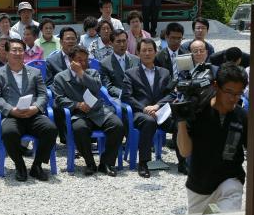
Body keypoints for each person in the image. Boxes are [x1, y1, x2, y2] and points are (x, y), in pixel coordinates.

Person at [176, 63, 248, 214]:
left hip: (231, 180)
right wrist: (181, 120)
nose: (233, 98)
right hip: (200, 184)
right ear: (216, 86)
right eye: (229, 92)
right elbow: (185, 152)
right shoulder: (198, 111)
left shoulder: (242, 116)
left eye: (238, 94)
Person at [0, 38, 57, 182]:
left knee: (50, 129)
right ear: (7, 53)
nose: (18, 53)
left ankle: (37, 165)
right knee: (8, 133)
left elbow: (43, 94)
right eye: (14, 50)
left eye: (21, 50)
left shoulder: (35, 72)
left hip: (33, 114)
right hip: (13, 115)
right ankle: (19, 165)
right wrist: (11, 110)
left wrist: (36, 107)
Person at [52, 45, 124, 176]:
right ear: (70, 60)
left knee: (117, 125)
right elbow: (59, 99)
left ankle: (106, 163)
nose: (83, 63)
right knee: (80, 129)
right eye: (79, 60)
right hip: (78, 113)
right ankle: (90, 163)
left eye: (86, 60)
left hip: (98, 111)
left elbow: (97, 87)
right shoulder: (60, 77)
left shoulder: (92, 73)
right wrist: (77, 104)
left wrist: (81, 73)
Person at [123, 38, 177, 178]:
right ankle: (143, 163)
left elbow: (171, 94)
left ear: (155, 52)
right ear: (138, 53)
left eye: (150, 50)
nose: (147, 53)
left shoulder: (164, 72)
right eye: (144, 50)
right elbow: (127, 97)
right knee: (149, 121)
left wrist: (157, 106)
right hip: (140, 113)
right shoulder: (130, 73)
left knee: (181, 122)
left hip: (161, 112)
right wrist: (145, 108)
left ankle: (183, 161)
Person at [45, 27, 78, 142]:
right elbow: (49, 83)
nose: (71, 42)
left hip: (81, 93)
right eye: (68, 39)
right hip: (62, 94)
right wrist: (63, 93)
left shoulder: (83, 58)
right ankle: (66, 137)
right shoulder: (52, 60)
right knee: (56, 106)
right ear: (61, 41)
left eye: (73, 39)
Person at [99, 29, 138, 99]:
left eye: (124, 41)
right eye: (118, 42)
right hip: (120, 99)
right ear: (111, 43)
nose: (122, 45)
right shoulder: (104, 64)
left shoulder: (136, 60)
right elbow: (108, 86)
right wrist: (123, 94)